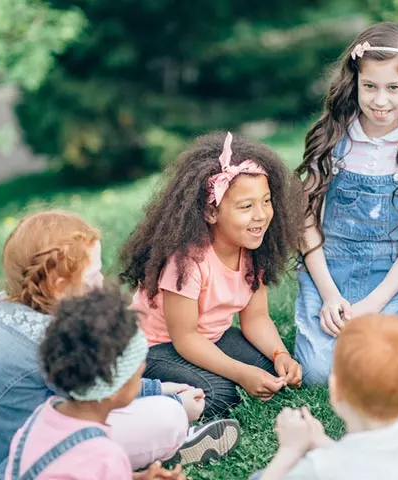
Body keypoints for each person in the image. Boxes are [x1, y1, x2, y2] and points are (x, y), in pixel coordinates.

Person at [0, 210, 236, 480]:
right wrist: (173, 401)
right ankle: (177, 439)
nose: (101, 282)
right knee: (165, 418)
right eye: (93, 276)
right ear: (59, 287)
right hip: (5, 470)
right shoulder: (54, 336)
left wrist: (162, 387)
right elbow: (104, 390)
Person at [292, 21, 398, 385]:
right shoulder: (332, 139)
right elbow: (305, 223)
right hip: (329, 272)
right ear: (355, 83)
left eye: (394, 87)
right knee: (317, 374)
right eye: (370, 86)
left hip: (387, 278)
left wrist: (371, 306)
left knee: (374, 370)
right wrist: (330, 296)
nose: (380, 100)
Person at [122, 132, 304, 417]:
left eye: (266, 201)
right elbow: (186, 338)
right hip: (157, 349)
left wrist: (281, 355)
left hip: (210, 338)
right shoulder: (186, 262)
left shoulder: (252, 250)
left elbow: (256, 318)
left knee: (268, 368)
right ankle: (144, 392)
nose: (261, 215)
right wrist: (240, 373)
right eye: (246, 206)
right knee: (219, 395)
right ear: (210, 212)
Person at [6, 288, 185, 479]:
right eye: (137, 366)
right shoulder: (105, 457)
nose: (143, 367)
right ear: (114, 388)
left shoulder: (39, 418)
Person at [253, 314, 398, 479]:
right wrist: (319, 441)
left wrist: (289, 450)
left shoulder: (319, 468)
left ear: (335, 389)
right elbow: (366, 464)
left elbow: (340, 465)